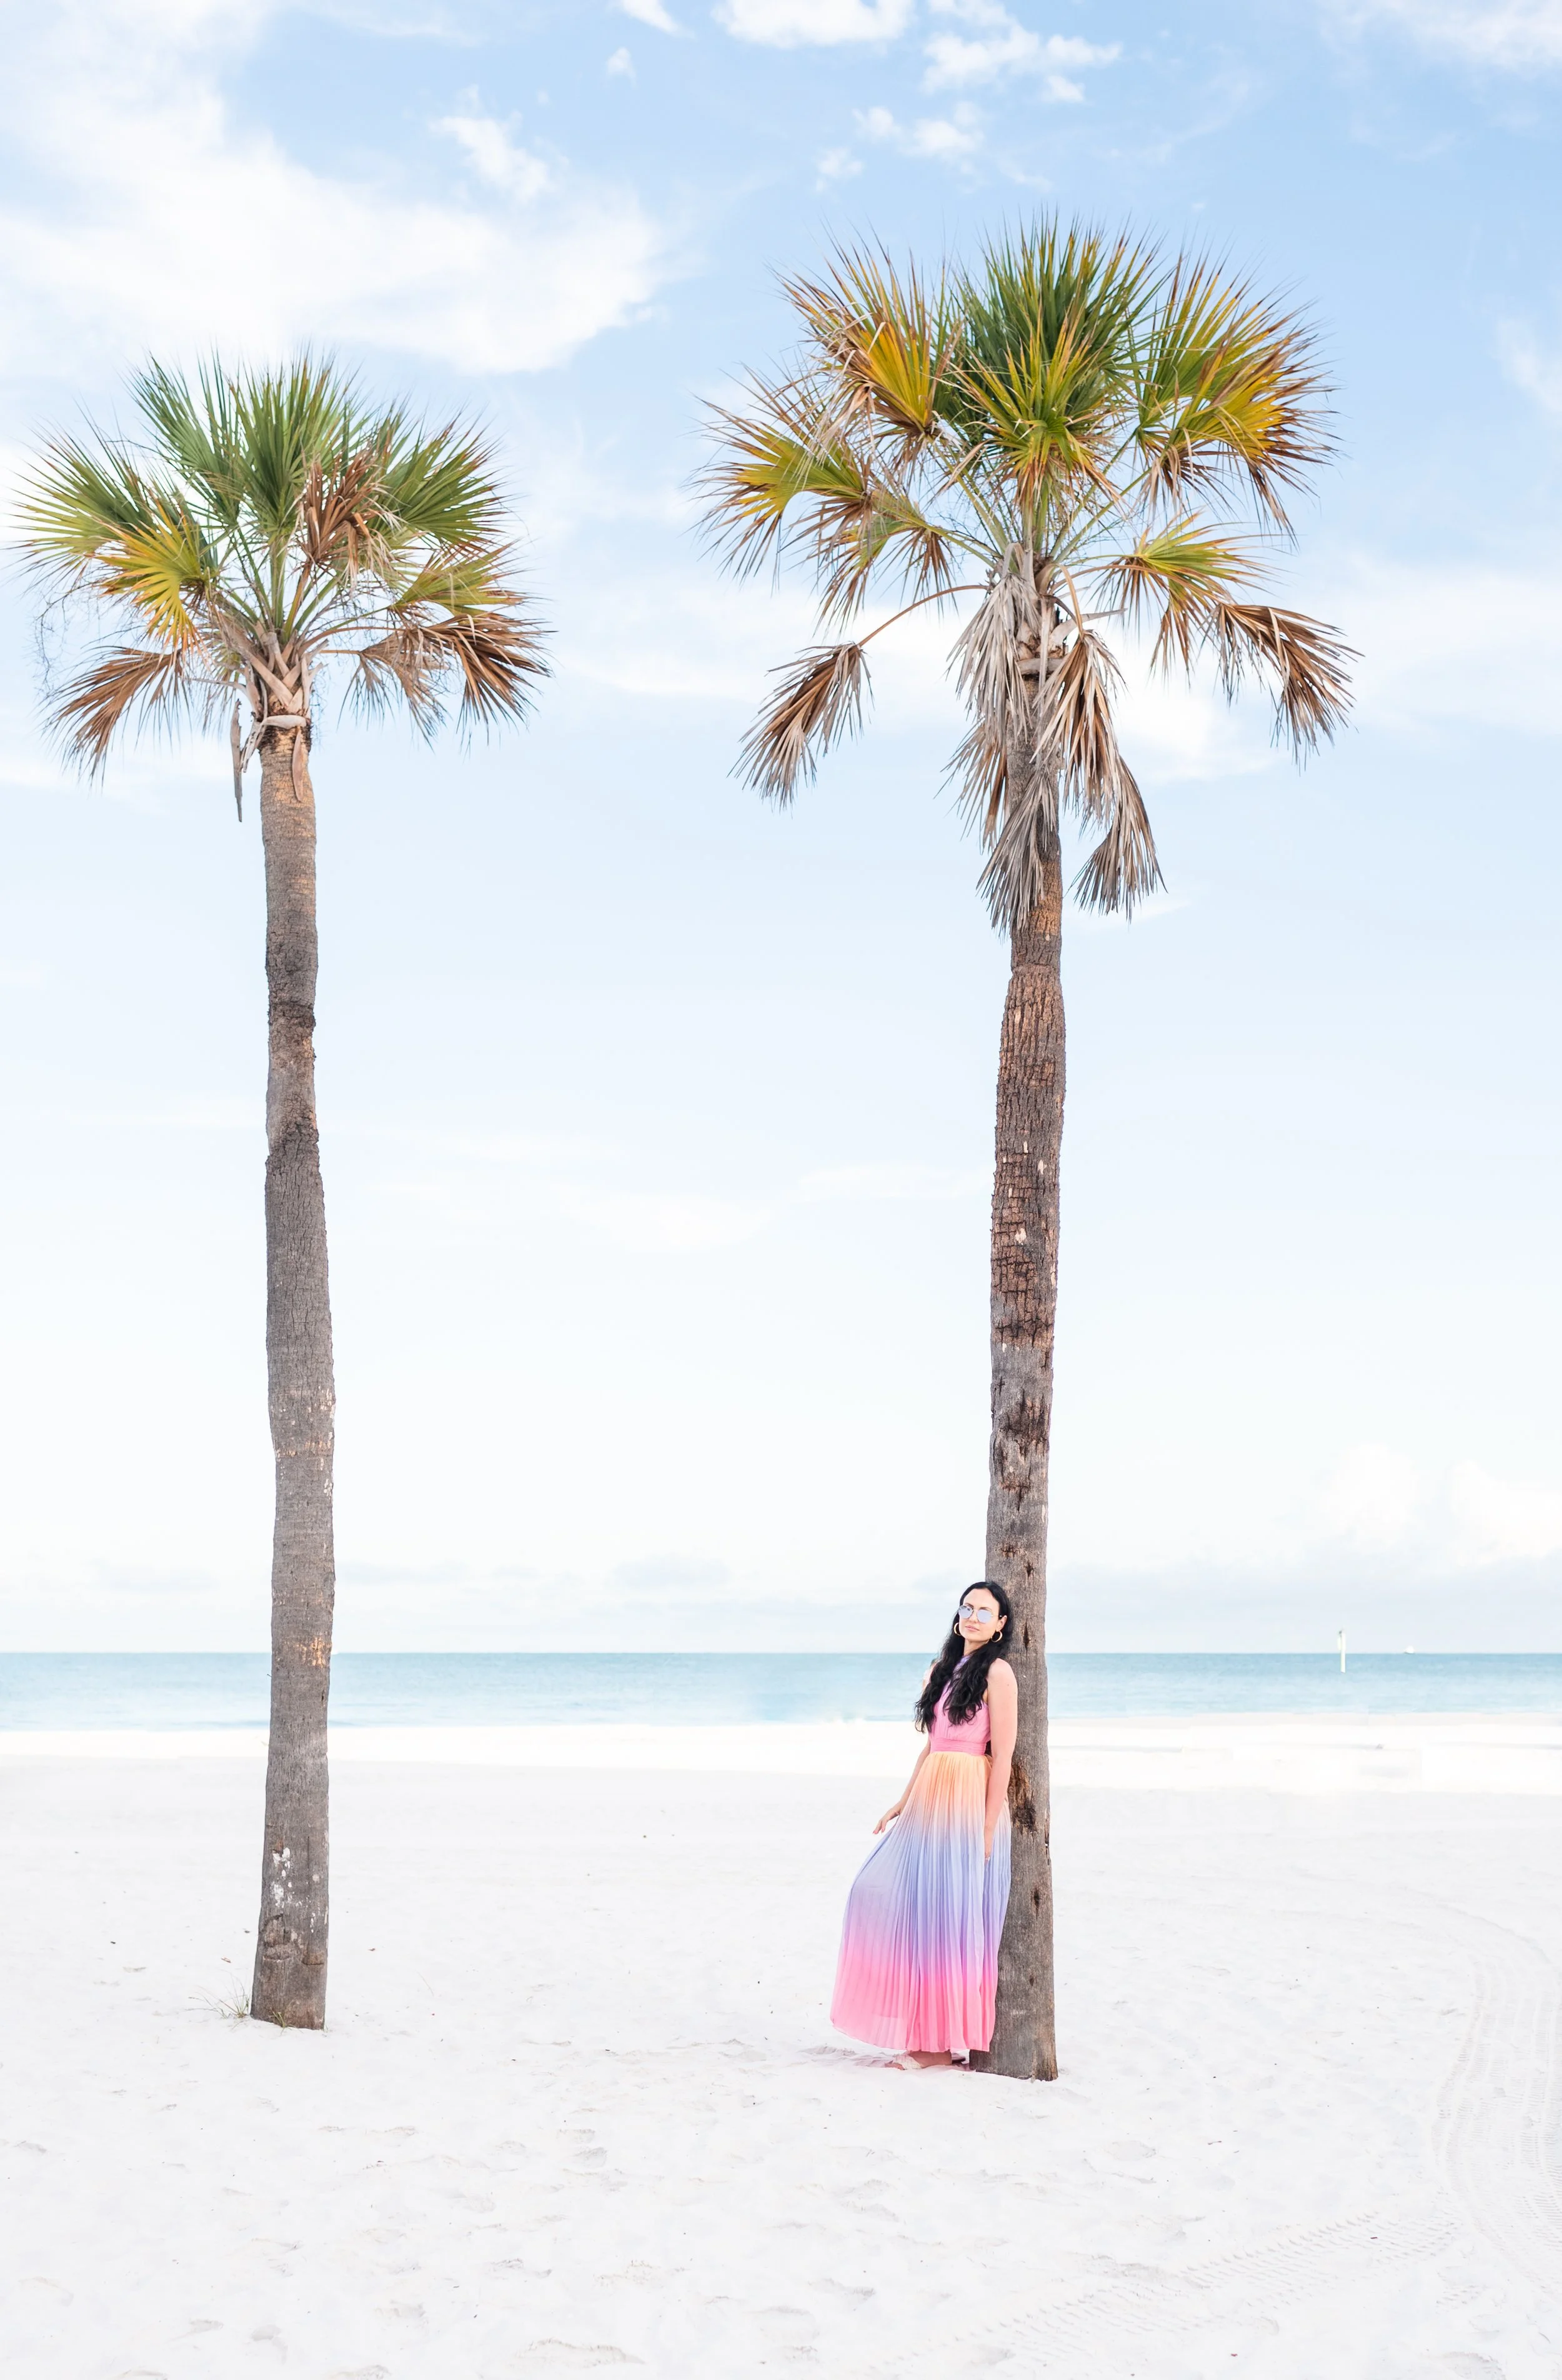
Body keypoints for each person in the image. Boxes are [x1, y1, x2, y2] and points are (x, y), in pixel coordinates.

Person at [830, 1581, 1017, 2068]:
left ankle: (936, 2047)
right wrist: (902, 1800)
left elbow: (1005, 1759)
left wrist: (989, 1825)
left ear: (1000, 1625)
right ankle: (928, 2037)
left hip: (969, 1801)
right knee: (883, 1894)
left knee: (949, 1922)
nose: (973, 1615)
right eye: (967, 1607)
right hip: (930, 1797)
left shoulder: (999, 1673)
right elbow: (930, 1746)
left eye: (985, 1610)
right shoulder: (941, 1670)